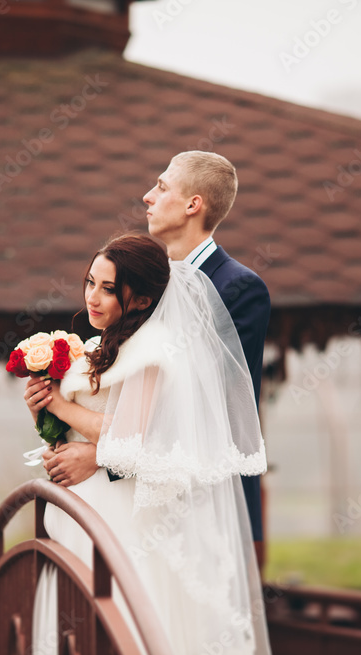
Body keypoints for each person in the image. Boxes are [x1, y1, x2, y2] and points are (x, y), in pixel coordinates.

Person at [23, 233, 273, 655]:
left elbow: (133, 437)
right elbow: (82, 430)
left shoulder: (153, 350)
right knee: (78, 634)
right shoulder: (100, 346)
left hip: (123, 518)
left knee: (119, 628)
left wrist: (62, 406)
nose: (92, 297)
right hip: (82, 511)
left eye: (107, 289)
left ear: (139, 300)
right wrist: (45, 416)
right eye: (90, 283)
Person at [43, 150, 272, 567]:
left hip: (200, 498)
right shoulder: (141, 280)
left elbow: (207, 408)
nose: (148, 196)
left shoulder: (238, 288)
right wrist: (59, 427)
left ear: (192, 205)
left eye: (162, 186)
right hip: (129, 503)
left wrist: (98, 457)